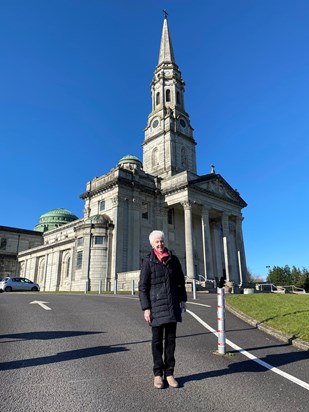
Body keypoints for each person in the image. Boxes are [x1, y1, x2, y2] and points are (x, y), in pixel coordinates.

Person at [139, 230, 187, 389]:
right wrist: (146, 308)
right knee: (157, 342)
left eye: (161, 241)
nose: (160, 244)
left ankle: (170, 373)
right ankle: (158, 374)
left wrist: (183, 300)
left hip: (172, 305)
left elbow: (180, 281)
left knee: (171, 342)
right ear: (152, 244)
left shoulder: (173, 260)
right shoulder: (148, 261)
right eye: (156, 242)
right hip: (156, 307)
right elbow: (143, 287)